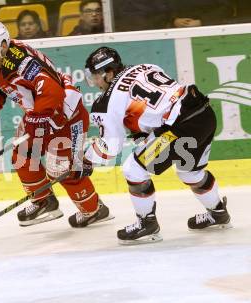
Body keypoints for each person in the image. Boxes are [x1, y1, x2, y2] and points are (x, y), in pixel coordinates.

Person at [82, 46, 232, 244]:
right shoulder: (146, 67)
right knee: (190, 172)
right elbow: (160, 105)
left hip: (180, 127)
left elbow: (110, 147)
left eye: (95, 76)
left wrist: (86, 159)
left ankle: (147, 225)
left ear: (109, 73)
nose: (94, 82)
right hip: (202, 112)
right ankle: (218, 213)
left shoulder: (105, 103)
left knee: (133, 170)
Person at [0, 22, 113, 228]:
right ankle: (44, 201)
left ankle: (94, 209)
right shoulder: (0, 62)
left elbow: (52, 92)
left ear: (2, 46)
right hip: (41, 115)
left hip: (65, 117)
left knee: (62, 169)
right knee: (22, 155)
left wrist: (36, 120)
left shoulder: (23, 63)